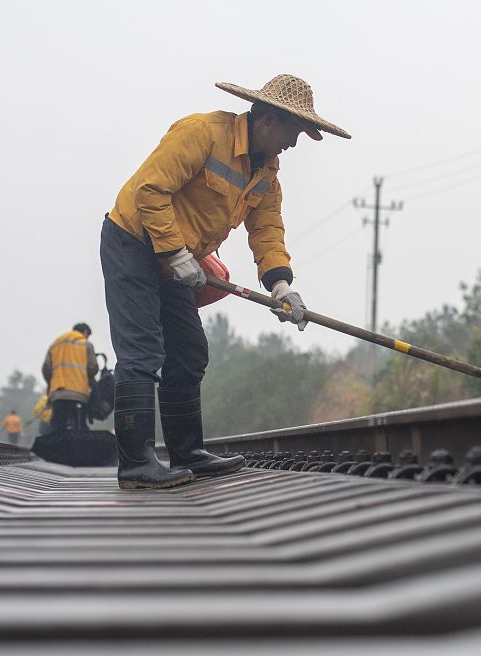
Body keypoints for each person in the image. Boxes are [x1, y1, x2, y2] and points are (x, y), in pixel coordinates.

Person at [101, 74, 350, 489]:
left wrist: (281, 285)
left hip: (181, 259)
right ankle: (135, 465)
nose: (294, 143)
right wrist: (176, 253)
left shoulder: (267, 172)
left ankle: (187, 452)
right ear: (269, 119)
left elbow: (267, 230)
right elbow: (149, 191)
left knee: (190, 352)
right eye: (294, 131)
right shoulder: (201, 133)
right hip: (133, 241)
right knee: (143, 351)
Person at [42, 323, 99, 432]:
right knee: (80, 427)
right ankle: (79, 448)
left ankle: (57, 448)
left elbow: (46, 368)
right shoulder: (86, 344)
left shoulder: (55, 344)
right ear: (85, 332)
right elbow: (93, 367)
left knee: (57, 427)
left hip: (58, 393)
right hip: (79, 393)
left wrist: (52, 383)